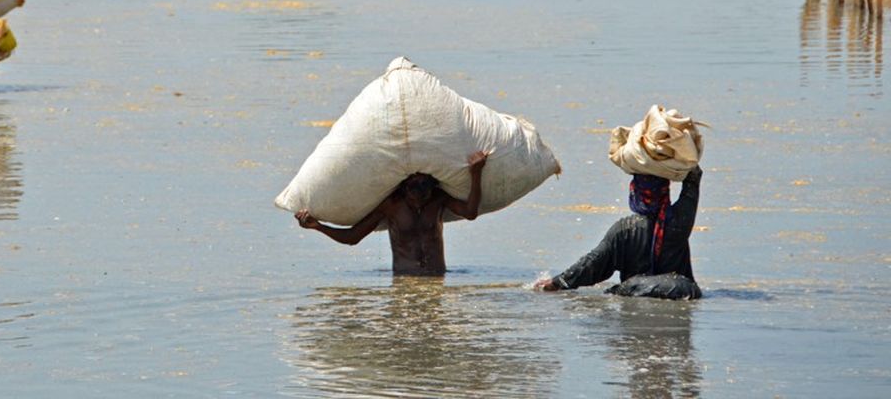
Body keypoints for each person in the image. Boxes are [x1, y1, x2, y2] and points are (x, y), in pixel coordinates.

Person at [295, 150, 489, 276]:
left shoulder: (438, 200)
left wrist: (476, 173)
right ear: (404, 187)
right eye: (414, 189)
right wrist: (318, 226)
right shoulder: (392, 205)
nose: (419, 198)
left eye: (424, 188)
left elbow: (470, 212)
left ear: (432, 186)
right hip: (404, 281)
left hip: (437, 279)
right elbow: (352, 237)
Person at [535, 166, 703, 298]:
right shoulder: (680, 220)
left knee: (621, 291)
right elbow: (693, 181)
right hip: (681, 290)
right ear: (664, 190)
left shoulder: (624, 230)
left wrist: (558, 282)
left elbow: (594, 263)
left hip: (638, 291)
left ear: (635, 192)